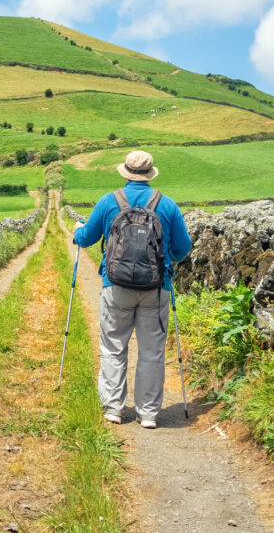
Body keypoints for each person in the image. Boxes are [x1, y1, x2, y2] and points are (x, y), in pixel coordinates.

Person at [73, 150, 192, 428]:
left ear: (125, 173)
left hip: (115, 286)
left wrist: (77, 229)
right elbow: (183, 247)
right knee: (152, 351)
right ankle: (148, 413)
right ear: (150, 175)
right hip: (156, 287)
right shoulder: (167, 205)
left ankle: (113, 408)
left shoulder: (108, 202)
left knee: (114, 347)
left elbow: (86, 237)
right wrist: (166, 261)